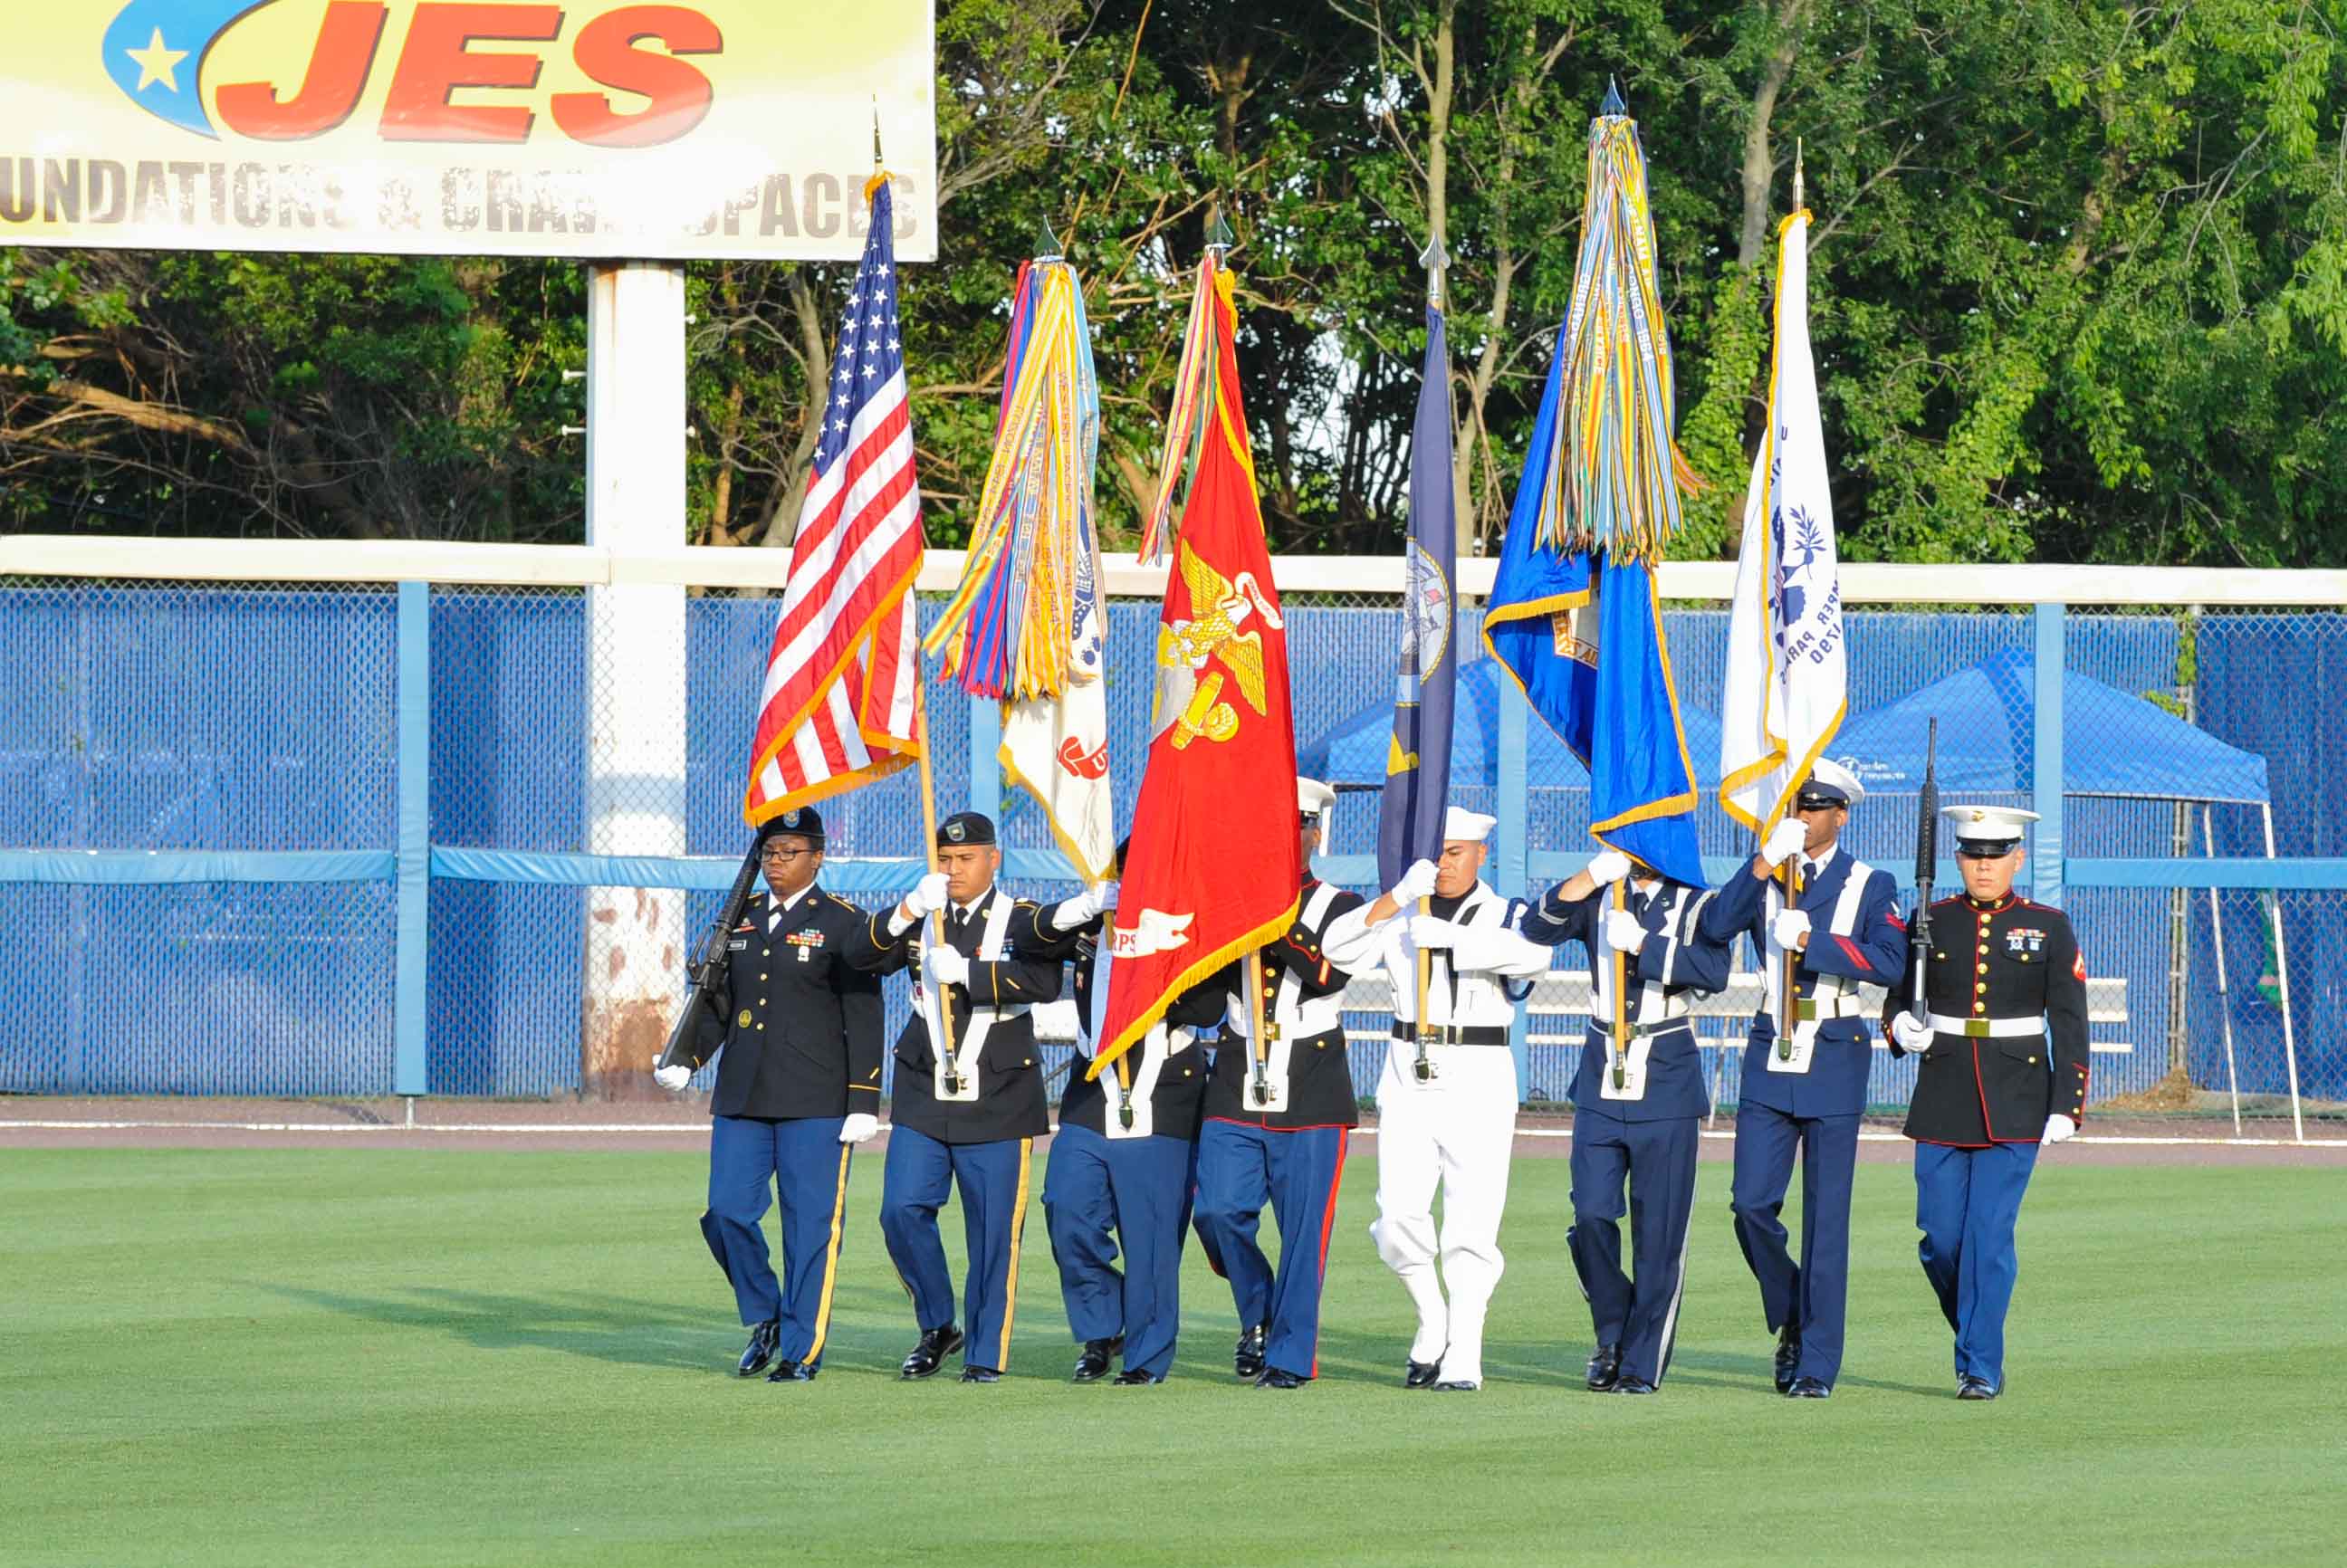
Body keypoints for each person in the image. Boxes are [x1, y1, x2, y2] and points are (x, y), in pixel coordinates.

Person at [1322, 807, 1552, 1392]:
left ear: (1481, 855)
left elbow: (1535, 959)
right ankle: (1433, 1316)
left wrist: (1456, 940)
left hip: (1478, 1071)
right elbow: (1339, 950)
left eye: (1456, 853)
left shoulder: (1507, 911)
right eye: (1437, 852)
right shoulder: (1406, 910)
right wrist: (1395, 898)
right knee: (1396, 1219)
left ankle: (1464, 1352)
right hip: (1407, 1068)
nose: (1445, 864)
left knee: (1471, 1224)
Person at [654, 806, 883, 1382]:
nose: (776, 864)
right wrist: (687, 1056)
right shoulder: (743, 917)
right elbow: (720, 1004)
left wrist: (863, 1100)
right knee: (727, 1212)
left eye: (789, 853)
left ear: (818, 857)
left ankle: (801, 1350)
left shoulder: (843, 923)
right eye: (769, 854)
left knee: (809, 1229)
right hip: (744, 1094)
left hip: (815, 1098)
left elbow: (863, 1012)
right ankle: (767, 1314)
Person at [1698, 760, 1905, 1398]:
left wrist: (1812, 941)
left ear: (1841, 815)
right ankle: (1792, 1310)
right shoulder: (1770, 870)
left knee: (1825, 1220)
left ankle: (1815, 1362)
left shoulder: (1869, 883)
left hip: (1835, 1048)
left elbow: (1891, 962)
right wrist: (1762, 863)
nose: (1804, 815)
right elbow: (1712, 927)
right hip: (1770, 1049)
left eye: (1816, 806)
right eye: (1796, 804)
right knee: (1750, 1204)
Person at [843, 811, 1062, 1383]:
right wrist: (908, 910)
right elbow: (861, 958)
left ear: (994, 860)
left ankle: (985, 1353)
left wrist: (969, 971)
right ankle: (938, 1323)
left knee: (992, 1234)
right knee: (900, 1211)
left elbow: (1044, 981)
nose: (954, 868)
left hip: (1000, 1095)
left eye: (966, 859)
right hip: (923, 1091)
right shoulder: (924, 913)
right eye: (944, 858)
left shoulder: (1022, 919)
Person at [1885, 805, 2090, 1401]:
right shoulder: (1930, 919)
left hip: (2018, 1097)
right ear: (1957, 859)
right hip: (1944, 1091)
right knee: (1941, 1239)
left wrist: (2066, 1104)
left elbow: (2069, 1020)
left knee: (1988, 1237)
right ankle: (1977, 1330)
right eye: (1973, 855)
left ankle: (1980, 1365)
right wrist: (1900, 1026)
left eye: (1996, 855)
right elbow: (1898, 998)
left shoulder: (2048, 926)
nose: (1984, 866)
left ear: (2017, 860)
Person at [1519, 846, 1734, 1395]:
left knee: (1658, 1234)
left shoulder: (1696, 904)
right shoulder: (1601, 893)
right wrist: (1590, 875)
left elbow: (1713, 971)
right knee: (1590, 1214)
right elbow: (1535, 928)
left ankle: (1641, 1362)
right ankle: (1612, 1331)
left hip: (1665, 1075)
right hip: (1599, 1074)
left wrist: (1644, 944)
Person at [1190, 779, 1366, 1390]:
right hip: (1237, 1071)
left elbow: (1323, 972)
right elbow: (1205, 994)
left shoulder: (1343, 907)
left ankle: (1288, 1356)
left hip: (1312, 1078)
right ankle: (1257, 1307)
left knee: (1303, 1234)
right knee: (1215, 1210)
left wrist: (1268, 913)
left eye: (1295, 830)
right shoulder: (1228, 898)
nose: (1283, 842)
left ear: (1315, 835)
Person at [1020, 853, 1222, 1385]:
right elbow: (1029, 937)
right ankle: (1103, 1327)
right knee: (1067, 1209)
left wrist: (1155, 956)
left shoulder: (1190, 929)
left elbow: (1207, 1010)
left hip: (1164, 1091)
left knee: (1151, 1233)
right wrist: (1085, 908)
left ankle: (1147, 1355)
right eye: (1128, 876)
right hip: (1093, 1089)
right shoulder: (1096, 921)